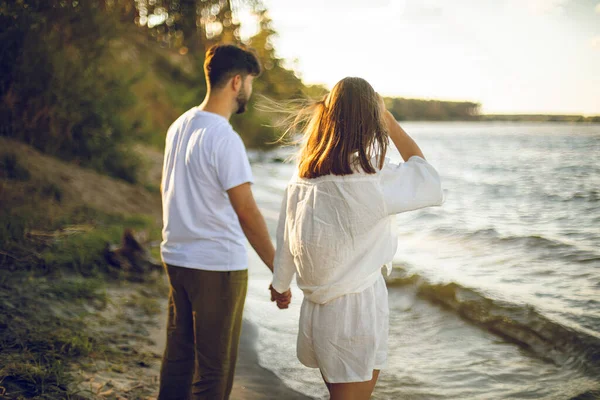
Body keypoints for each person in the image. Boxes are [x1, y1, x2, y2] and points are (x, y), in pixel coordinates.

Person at [270, 77, 444, 400]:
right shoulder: (372, 178)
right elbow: (428, 180)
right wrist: (389, 121)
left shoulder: (304, 175)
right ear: (371, 123)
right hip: (356, 311)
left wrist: (280, 284)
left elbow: (288, 235)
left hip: (318, 311)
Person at [158, 44, 291, 400]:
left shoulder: (180, 124)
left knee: (178, 357)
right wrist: (279, 271)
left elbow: (168, 189)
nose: (250, 89)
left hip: (177, 257)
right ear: (236, 82)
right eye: (249, 81)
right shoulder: (224, 138)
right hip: (216, 266)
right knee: (214, 369)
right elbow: (247, 212)